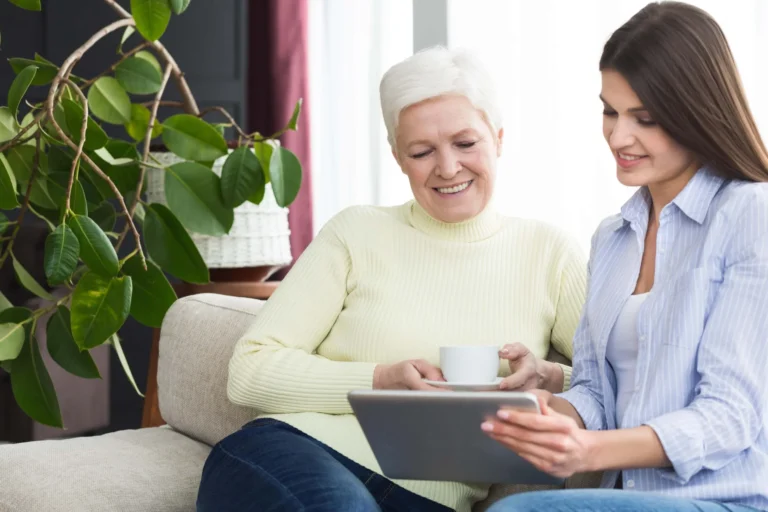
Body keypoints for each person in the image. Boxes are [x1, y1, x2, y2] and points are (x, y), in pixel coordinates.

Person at [195, 47, 587, 512]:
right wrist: (381, 379)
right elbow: (248, 372)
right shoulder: (356, 232)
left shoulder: (550, 252)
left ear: (499, 138)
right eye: (422, 151)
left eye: (465, 144)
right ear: (399, 157)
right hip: (295, 451)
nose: (447, 168)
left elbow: (619, 385)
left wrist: (546, 377)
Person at [483, 2, 768, 511]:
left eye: (646, 118)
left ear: (699, 113)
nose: (618, 137)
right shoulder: (612, 238)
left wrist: (589, 450)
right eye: (610, 111)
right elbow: (597, 391)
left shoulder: (750, 214)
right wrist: (548, 414)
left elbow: (730, 416)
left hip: (723, 500)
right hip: (621, 496)